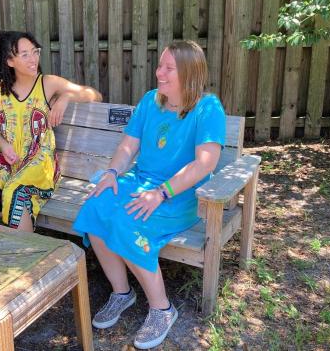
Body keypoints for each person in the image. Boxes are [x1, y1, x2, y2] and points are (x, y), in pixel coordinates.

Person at [73, 41, 226, 349]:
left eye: (169, 68)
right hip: (140, 181)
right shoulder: (150, 101)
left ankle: (162, 309)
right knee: (95, 207)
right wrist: (112, 174)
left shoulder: (208, 108)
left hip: (179, 195)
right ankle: (122, 293)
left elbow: (205, 163)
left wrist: (161, 192)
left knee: (127, 221)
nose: (159, 73)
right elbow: (128, 146)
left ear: (189, 72)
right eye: (160, 65)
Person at [0, 31, 102, 231]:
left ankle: (22, 258)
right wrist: (4, 145)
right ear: (10, 61)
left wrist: (66, 97)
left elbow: (95, 95)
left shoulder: (48, 83)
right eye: (25, 54)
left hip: (39, 161)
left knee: (16, 194)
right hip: (7, 157)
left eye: (35, 51)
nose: (33, 59)